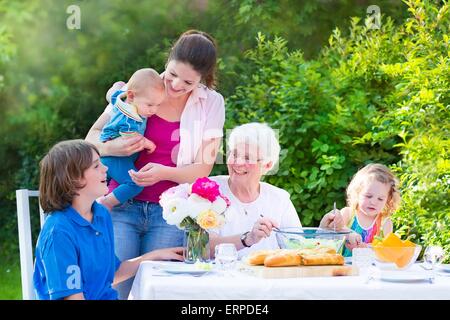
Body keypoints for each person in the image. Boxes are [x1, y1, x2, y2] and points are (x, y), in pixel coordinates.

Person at [85, 30, 225, 299]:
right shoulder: (140, 87)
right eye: (172, 74)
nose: (175, 85)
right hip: (119, 205)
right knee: (109, 286)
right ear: (168, 60)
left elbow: (204, 167)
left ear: (202, 79)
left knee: (161, 291)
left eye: (187, 82)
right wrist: (112, 147)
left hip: (170, 212)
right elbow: (91, 139)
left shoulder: (211, 103)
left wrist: (165, 173)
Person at [33, 140, 183, 300]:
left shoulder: (100, 215)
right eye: (96, 166)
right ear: (73, 178)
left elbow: (113, 273)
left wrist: (154, 255)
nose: (106, 168)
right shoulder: (58, 232)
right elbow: (72, 297)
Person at [208, 123, 302, 259]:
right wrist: (248, 238)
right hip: (222, 277)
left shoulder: (279, 198)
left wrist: (324, 230)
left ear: (267, 165)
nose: (238, 163)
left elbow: (297, 247)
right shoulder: (210, 189)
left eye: (247, 158)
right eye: (234, 154)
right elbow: (203, 247)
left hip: (268, 278)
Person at [98, 68, 166, 211]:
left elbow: (113, 95)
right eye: (150, 105)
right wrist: (148, 143)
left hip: (114, 158)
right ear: (131, 96)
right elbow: (130, 136)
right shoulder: (130, 117)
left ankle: (98, 200)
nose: (154, 110)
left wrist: (117, 85)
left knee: (102, 184)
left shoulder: (123, 102)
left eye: (158, 105)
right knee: (135, 183)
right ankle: (106, 203)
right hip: (114, 157)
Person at [319, 163, 401, 256]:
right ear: (357, 193)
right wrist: (348, 233)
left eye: (380, 199)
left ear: (388, 199)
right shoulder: (348, 214)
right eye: (368, 196)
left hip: (371, 269)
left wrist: (364, 248)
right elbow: (330, 235)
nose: (373, 202)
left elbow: (385, 253)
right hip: (342, 268)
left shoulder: (385, 223)